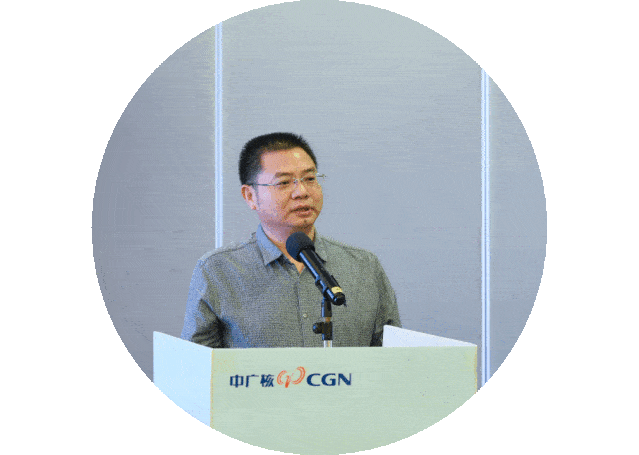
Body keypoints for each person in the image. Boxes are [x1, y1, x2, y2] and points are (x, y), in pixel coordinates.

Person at [180, 132, 401, 347]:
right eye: (284, 183)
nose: (301, 192)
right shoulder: (218, 271)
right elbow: (194, 365)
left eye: (310, 179)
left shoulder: (364, 267)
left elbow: (394, 360)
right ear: (250, 196)